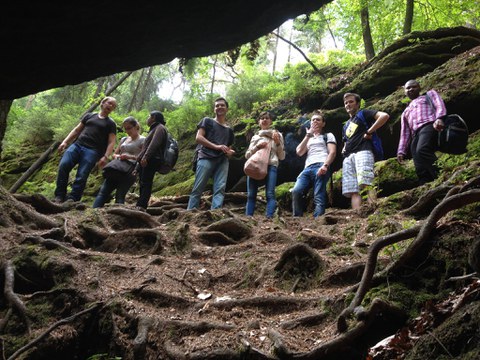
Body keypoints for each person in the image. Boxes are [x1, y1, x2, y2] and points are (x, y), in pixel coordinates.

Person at [54, 96, 117, 203]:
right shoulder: (89, 116)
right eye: (109, 103)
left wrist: (106, 156)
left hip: (93, 151)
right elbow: (76, 130)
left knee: (82, 175)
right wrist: (65, 142)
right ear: (102, 103)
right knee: (64, 165)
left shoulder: (111, 123)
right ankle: (59, 196)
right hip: (77, 145)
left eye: (113, 106)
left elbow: (111, 142)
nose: (111, 106)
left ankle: (73, 198)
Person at [342, 93, 389, 209]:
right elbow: (346, 139)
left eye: (351, 101)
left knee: (366, 183)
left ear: (357, 104)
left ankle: (373, 212)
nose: (348, 104)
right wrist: (344, 148)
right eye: (346, 103)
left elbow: (384, 116)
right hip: (348, 157)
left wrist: (369, 132)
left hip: (363, 151)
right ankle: (357, 216)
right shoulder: (346, 125)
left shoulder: (363, 113)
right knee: (353, 190)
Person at [187, 97, 235, 210]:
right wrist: (217, 146)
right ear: (214, 109)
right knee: (198, 186)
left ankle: (216, 213)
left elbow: (229, 147)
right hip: (205, 156)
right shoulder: (207, 121)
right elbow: (198, 138)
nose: (219, 107)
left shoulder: (229, 130)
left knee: (220, 188)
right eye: (217, 105)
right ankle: (190, 212)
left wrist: (230, 153)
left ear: (227, 108)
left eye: (222, 105)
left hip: (222, 160)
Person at [397, 79, 446, 184]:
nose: (410, 89)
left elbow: (439, 105)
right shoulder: (405, 111)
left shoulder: (428, 95)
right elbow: (405, 133)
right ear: (404, 91)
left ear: (419, 88)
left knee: (422, 149)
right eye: (408, 88)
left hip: (429, 125)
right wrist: (401, 151)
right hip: (415, 134)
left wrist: (439, 118)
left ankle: (442, 174)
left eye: (413, 87)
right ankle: (425, 183)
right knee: (418, 162)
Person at [291, 110, 337, 217]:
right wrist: (308, 135)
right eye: (313, 120)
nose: (315, 121)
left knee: (318, 195)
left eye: (318, 119)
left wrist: (325, 165)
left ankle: (318, 220)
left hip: (321, 164)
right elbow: (299, 152)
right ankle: (297, 219)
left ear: (323, 123)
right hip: (307, 168)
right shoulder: (308, 138)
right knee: (296, 191)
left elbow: (332, 152)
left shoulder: (328, 135)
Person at [93, 117, 145, 208]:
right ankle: (93, 213)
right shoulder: (124, 139)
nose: (127, 130)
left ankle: (119, 215)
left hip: (131, 170)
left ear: (136, 126)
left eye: (129, 128)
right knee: (103, 192)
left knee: (120, 195)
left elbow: (144, 157)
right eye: (125, 128)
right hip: (117, 168)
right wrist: (117, 156)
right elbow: (114, 154)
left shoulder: (143, 140)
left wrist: (129, 156)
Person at [245, 111, 285, 218]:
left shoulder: (277, 135)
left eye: (267, 118)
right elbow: (247, 155)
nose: (264, 120)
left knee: (270, 194)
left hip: (271, 165)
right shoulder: (255, 137)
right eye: (262, 118)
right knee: (251, 194)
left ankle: (269, 218)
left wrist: (277, 143)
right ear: (259, 122)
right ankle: (248, 218)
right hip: (255, 165)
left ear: (271, 121)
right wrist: (257, 147)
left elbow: (282, 156)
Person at [135, 111, 168, 211]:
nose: (147, 118)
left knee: (146, 183)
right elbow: (145, 147)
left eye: (149, 116)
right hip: (148, 159)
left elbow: (154, 144)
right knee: (143, 182)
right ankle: (140, 205)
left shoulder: (160, 128)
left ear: (153, 118)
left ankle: (141, 206)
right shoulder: (154, 129)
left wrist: (146, 157)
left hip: (152, 159)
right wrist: (138, 165)